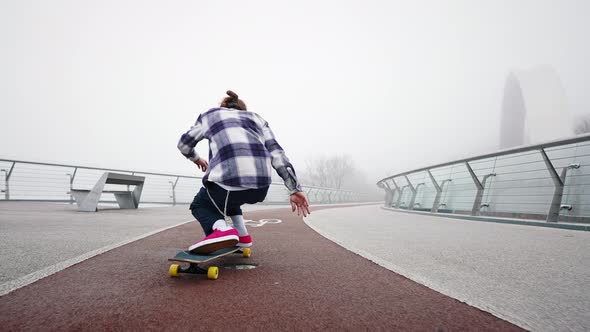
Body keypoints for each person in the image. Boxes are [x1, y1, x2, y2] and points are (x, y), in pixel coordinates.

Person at [177, 90, 311, 254]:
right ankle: (243, 236)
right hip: (260, 188)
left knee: (200, 205)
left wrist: (196, 158)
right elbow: (277, 154)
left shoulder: (210, 115)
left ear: (224, 106)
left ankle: (222, 231)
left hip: (227, 183)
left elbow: (184, 145)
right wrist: (294, 189)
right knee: (233, 201)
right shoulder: (257, 118)